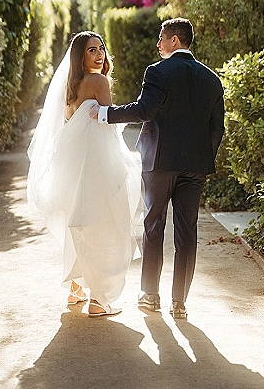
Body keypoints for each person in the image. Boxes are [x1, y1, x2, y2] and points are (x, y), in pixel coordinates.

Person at [93, 17, 224, 320]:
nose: (158, 44)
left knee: (154, 225)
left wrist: (104, 114)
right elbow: (217, 128)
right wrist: (203, 158)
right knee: (187, 231)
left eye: (162, 38)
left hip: (160, 162)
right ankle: (179, 302)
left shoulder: (157, 71)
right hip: (195, 166)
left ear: (175, 40)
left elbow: (143, 110)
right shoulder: (211, 79)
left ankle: (150, 295)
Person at [27, 31, 140, 317]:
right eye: (92, 50)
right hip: (96, 160)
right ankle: (99, 300)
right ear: (81, 56)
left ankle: (76, 289)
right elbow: (108, 119)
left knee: (77, 221)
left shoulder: (70, 85)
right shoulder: (98, 81)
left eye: (101, 48)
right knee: (102, 223)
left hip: (73, 161)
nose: (100, 54)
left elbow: (71, 121)